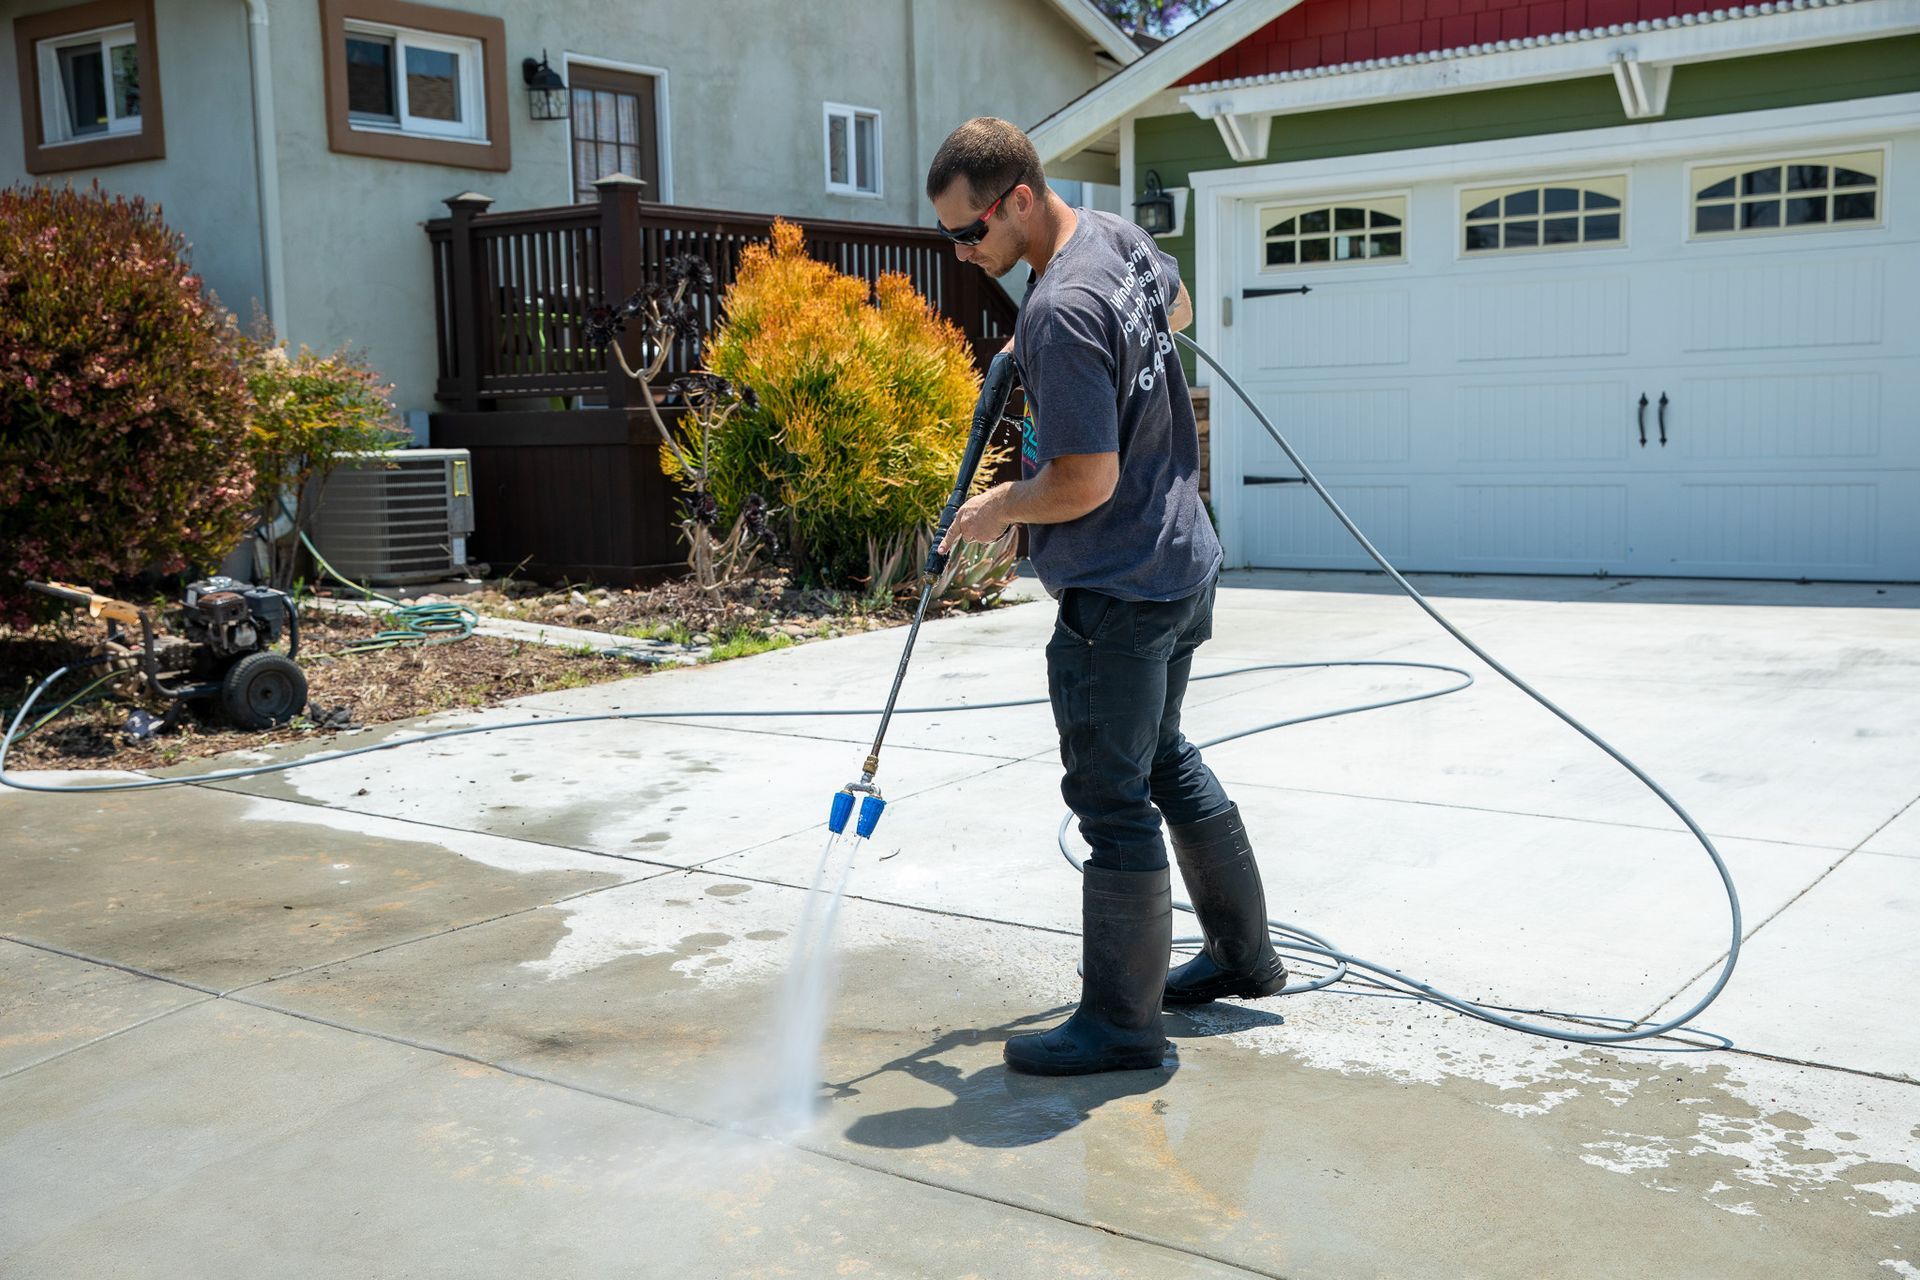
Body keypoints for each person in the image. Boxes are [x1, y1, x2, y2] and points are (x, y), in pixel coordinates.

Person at [925, 118, 1287, 1077]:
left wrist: (995, 509)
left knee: (1110, 798)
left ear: (1014, 201)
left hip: (1119, 589)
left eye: (971, 235)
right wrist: (1064, 347)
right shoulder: (1112, 238)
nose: (965, 257)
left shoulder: (1058, 312)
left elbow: (1083, 481)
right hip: (1182, 559)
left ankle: (1123, 1029)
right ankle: (1246, 960)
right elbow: (1177, 311)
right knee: (1163, 756)